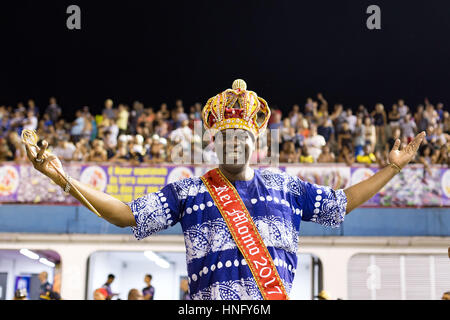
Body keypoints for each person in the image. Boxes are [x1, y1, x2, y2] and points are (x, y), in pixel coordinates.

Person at [24, 80, 426, 300]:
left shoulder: (286, 188)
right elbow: (125, 214)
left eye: (241, 137)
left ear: (257, 143)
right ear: (212, 144)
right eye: (225, 138)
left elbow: (342, 203)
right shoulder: (189, 192)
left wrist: (391, 167)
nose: (234, 144)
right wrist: (62, 178)